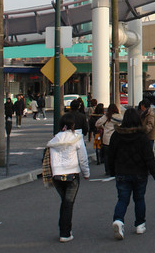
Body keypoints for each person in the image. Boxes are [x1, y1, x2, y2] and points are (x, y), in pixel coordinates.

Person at [109, 107, 155, 239]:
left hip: (122, 171)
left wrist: (110, 170)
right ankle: (140, 224)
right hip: (139, 172)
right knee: (139, 198)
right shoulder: (141, 136)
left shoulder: (117, 135)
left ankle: (118, 220)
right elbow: (148, 156)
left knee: (122, 199)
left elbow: (111, 154)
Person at [47, 114, 90, 243]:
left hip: (57, 174)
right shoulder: (76, 138)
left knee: (65, 202)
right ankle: (65, 232)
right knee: (68, 204)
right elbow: (82, 158)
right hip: (72, 174)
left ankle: (64, 230)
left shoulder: (55, 139)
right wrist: (86, 172)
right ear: (73, 125)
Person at [97, 104, 121, 175]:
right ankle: (116, 169)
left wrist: (103, 127)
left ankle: (108, 170)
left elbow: (97, 124)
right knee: (116, 155)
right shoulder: (120, 117)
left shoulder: (107, 116)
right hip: (117, 139)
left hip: (107, 139)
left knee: (107, 155)